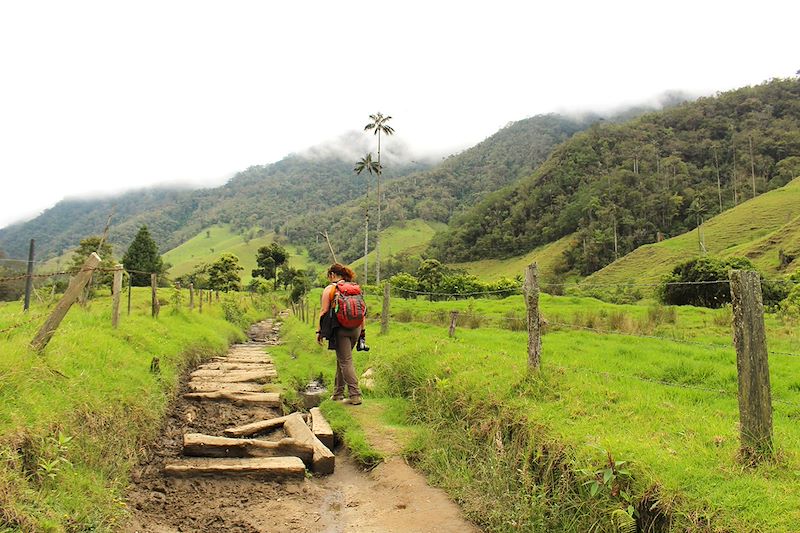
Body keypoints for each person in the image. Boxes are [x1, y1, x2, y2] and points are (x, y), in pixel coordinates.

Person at [316, 263, 363, 405]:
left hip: (340, 329)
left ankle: (355, 395)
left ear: (332, 275)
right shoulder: (354, 288)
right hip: (356, 328)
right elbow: (363, 312)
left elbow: (323, 312)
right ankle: (338, 393)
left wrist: (319, 331)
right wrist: (363, 332)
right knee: (342, 360)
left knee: (345, 361)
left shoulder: (330, 289)